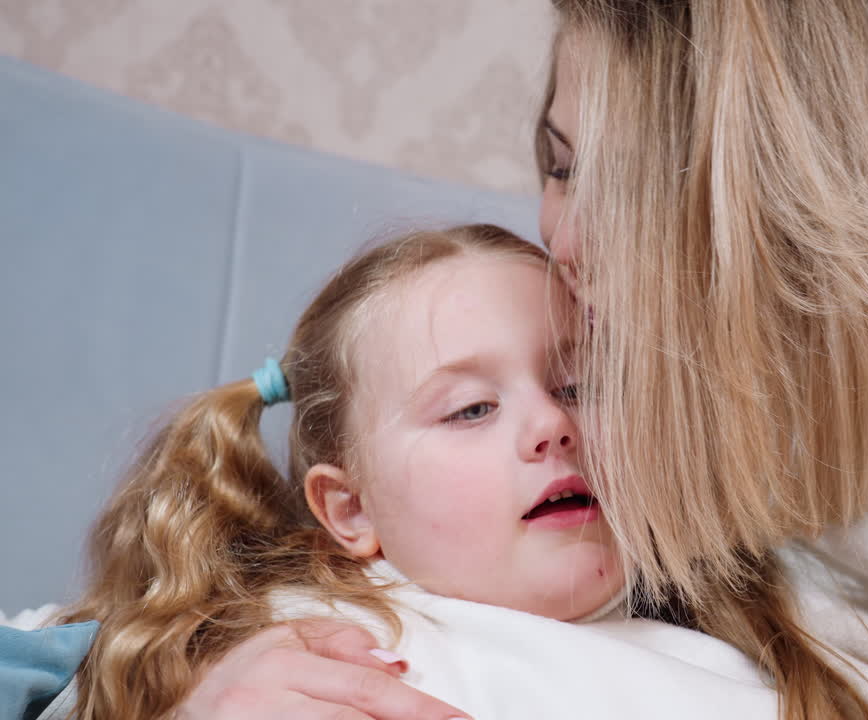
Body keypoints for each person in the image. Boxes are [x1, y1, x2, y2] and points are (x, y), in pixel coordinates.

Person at [21, 1, 868, 718]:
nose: (558, 238)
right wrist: (193, 684)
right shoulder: (642, 453)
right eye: (556, 162)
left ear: (786, 206)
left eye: (620, 189)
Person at [54, 225, 779, 720]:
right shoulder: (282, 646)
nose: (553, 427)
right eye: (470, 410)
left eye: (578, 388)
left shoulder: (728, 670)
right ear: (350, 510)